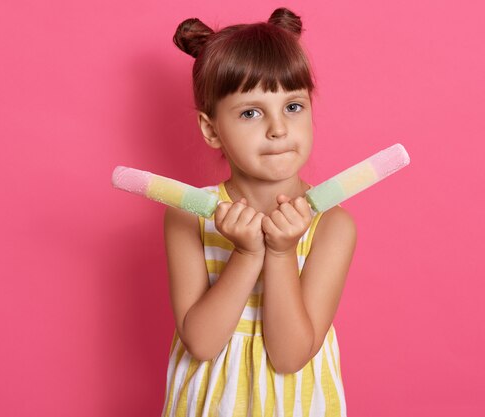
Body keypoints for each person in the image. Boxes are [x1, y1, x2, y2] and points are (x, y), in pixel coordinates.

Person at [161, 7, 356, 416]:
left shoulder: (332, 225)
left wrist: (282, 253)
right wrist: (247, 255)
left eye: (293, 107)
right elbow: (201, 341)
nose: (279, 129)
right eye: (251, 112)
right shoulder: (188, 216)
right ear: (212, 129)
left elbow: (289, 357)